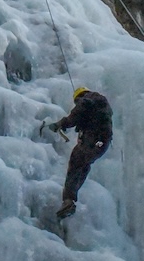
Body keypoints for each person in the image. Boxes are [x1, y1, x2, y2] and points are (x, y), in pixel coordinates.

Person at [47, 87, 112, 219]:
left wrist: (60, 123)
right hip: (101, 144)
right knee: (83, 164)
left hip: (93, 139)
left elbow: (77, 113)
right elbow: (87, 118)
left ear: (79, 97)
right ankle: (71, 199)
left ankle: (68, 200)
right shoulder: (100, 106)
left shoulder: (87, 100)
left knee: (76, 161)